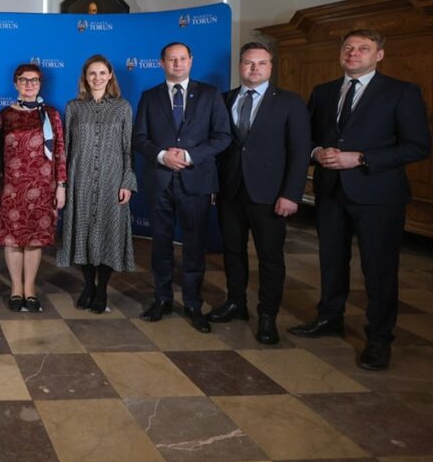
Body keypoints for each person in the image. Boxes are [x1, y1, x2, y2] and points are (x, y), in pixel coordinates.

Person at [290, 29, 430, 370]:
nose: (354, 53)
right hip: (331, 191)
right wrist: (317, 151)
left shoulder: (401, 92)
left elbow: (418, 146)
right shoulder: (323, 92)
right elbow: (306, 137)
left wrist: (361, 157)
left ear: (378, 55)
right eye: (348, 48)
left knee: (379, 269)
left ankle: (379, 338)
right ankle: (329, 318)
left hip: (378, 194)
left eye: (363, 49)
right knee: (331, 260)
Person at [211, 42, 310, 345]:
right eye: (248, 63)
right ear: (240, 66)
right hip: (230, 192)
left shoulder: (290, 103)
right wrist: (214, 186)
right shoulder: (224, 99)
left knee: (270, 257)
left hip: (270, 194)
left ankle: (267, 315)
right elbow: (219, 148)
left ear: (270, 67)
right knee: (232, 251)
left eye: (261, 63)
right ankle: (236, 303)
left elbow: (300, 151)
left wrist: (292, 194)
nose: (254, 69)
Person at [133, 41, 231, 333]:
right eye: (171, 59)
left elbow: (222, 136)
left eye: (182, 58)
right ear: (161, 63)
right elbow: (139, 138)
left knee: (194, 246)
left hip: (196, 181)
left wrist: (188, 156)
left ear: (191, 60)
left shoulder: (210, 95)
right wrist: (163, 156)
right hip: (160, 180)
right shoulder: (149, 97)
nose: (177, 64)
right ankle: (162, 299)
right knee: (161, 244)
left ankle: (192, 304)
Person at [58, 55, 137, 313]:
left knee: (107, 235)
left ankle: (102, 289)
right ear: (85, 77)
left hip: (111, 181)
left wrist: (127, 181)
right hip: (80, 180)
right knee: (83, 234)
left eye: (102, 73)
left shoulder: (123, 107)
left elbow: (128, 148)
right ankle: (88, 285)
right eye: (92, 73)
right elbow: (66, 148)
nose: (97, 78)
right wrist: (63, 183)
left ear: (110, 75)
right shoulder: (74, 107)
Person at [0, 64, 66, 312]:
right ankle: (16, 289)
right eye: (23, 80)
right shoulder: (4, 115)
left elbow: (59, 153)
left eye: (33, 80)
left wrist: (61, 186)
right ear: (15, 84)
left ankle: (30, 289)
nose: (29, 85)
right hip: (11, 189)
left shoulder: (51, 115)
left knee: (35, 239)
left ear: (40, 84)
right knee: (13, 240)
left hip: (43, 187)